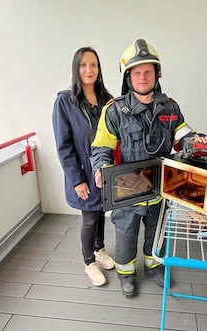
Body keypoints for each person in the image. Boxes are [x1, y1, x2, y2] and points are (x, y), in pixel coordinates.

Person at [90, 39, 207, 297]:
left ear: (157, 74)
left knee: (159, 232)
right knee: (125, 234)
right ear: (128, 77)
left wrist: (196, 141)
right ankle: (126, 274)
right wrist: (100, 167)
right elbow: (102, 146)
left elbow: (184, 137)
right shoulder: (114, 111)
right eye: (137, 72)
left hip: (163, 187)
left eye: (148, 71)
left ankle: (155, 266)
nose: (143, 76)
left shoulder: (170, 107)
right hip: (127, 187)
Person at [52, 47, 115, 287]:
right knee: (89, 217)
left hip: (104, 169)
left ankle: (99, 249)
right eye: (83, 65)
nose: (89, 70)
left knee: (100, 211)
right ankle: (88, 261)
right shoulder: (64, 101)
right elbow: (63, 145)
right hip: (82, 172)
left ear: (99, 69)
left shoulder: (106, 98)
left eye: (94, 65)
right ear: (76, 69)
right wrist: (76, 179)